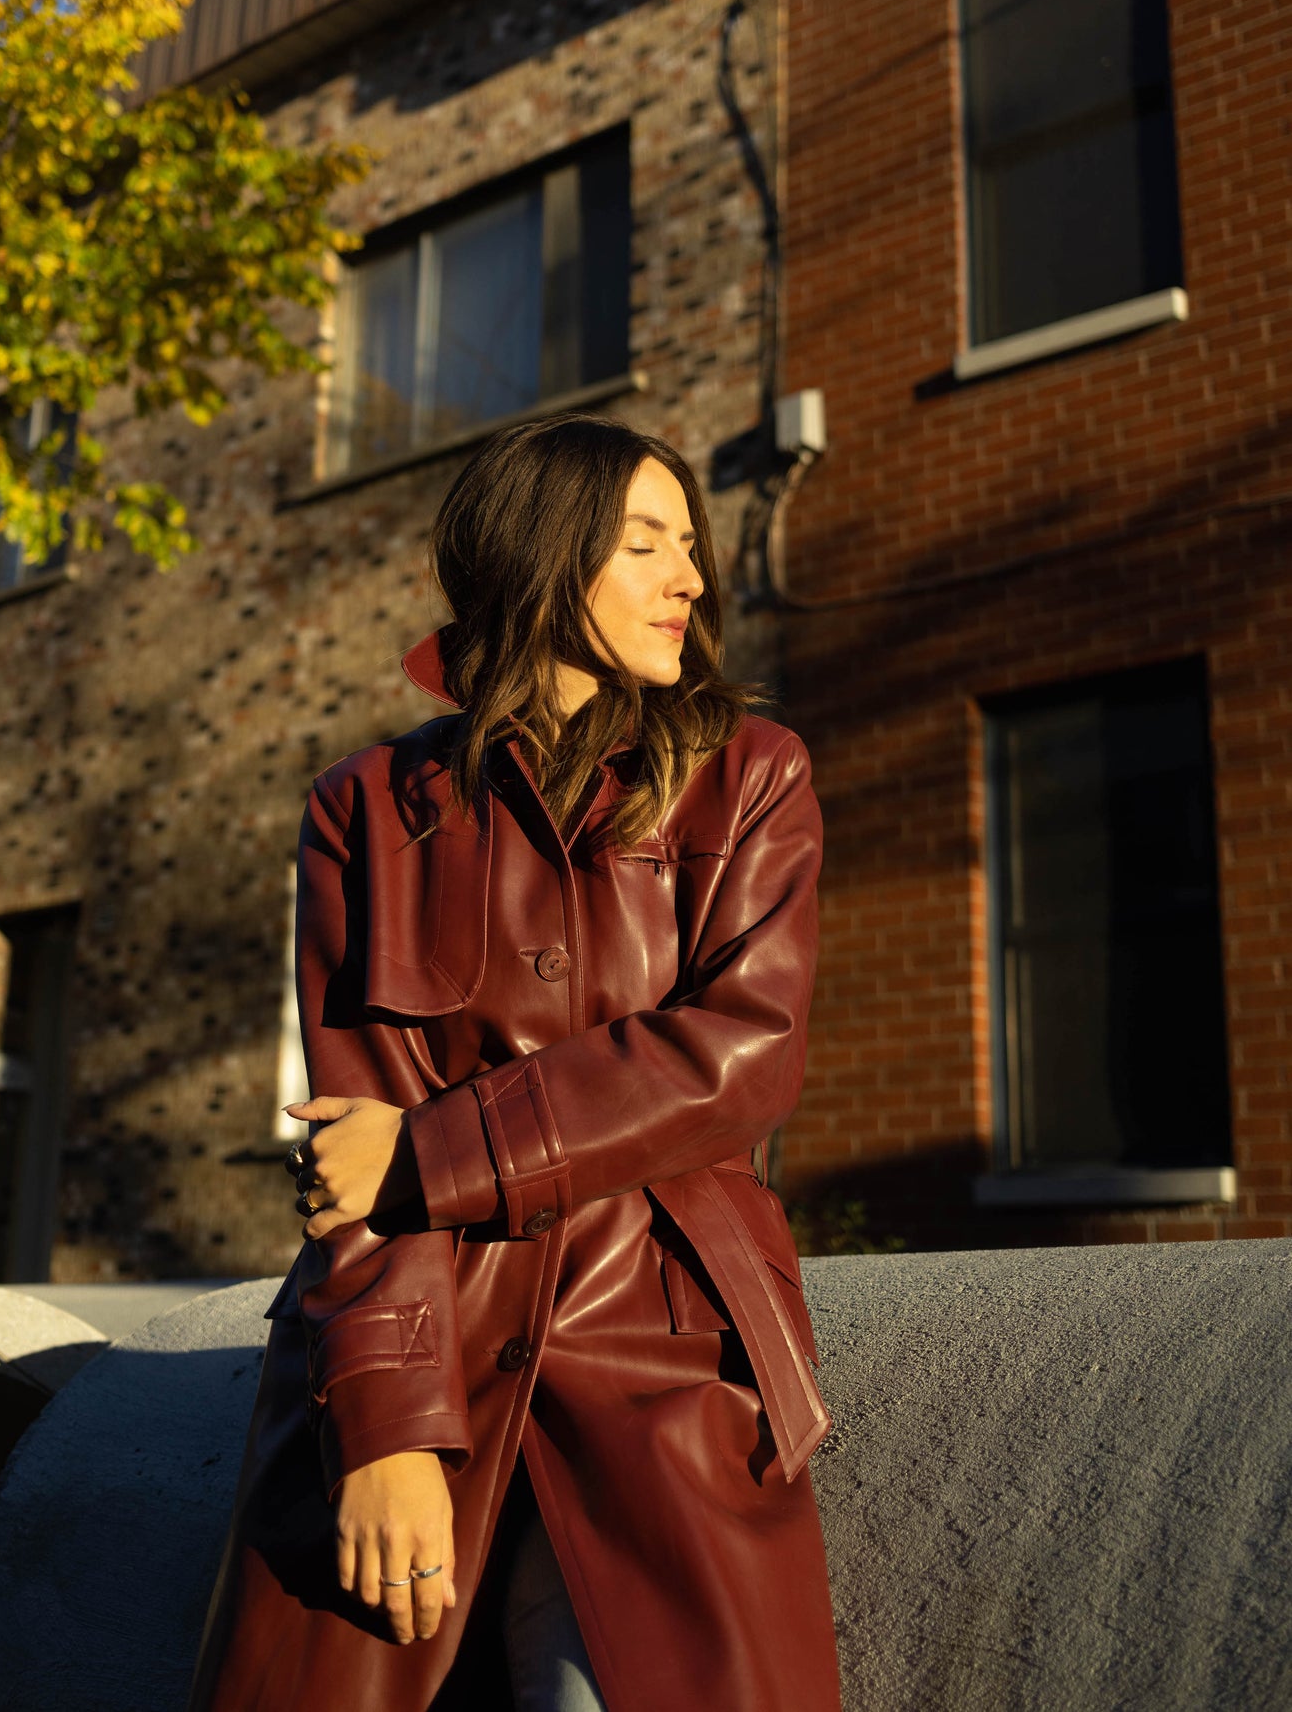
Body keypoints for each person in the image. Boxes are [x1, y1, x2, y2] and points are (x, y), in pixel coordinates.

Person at [189, 413, 842, 1712]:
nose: (690, 577)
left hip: (668, 1343)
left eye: (690, 544)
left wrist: (432, 1151)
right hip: (420, 1333)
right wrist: (385, 1430)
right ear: (543, 556)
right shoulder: (365, 807)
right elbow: (351, 1140)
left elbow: (742, 1055)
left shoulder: (748, 777)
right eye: (644, 543)